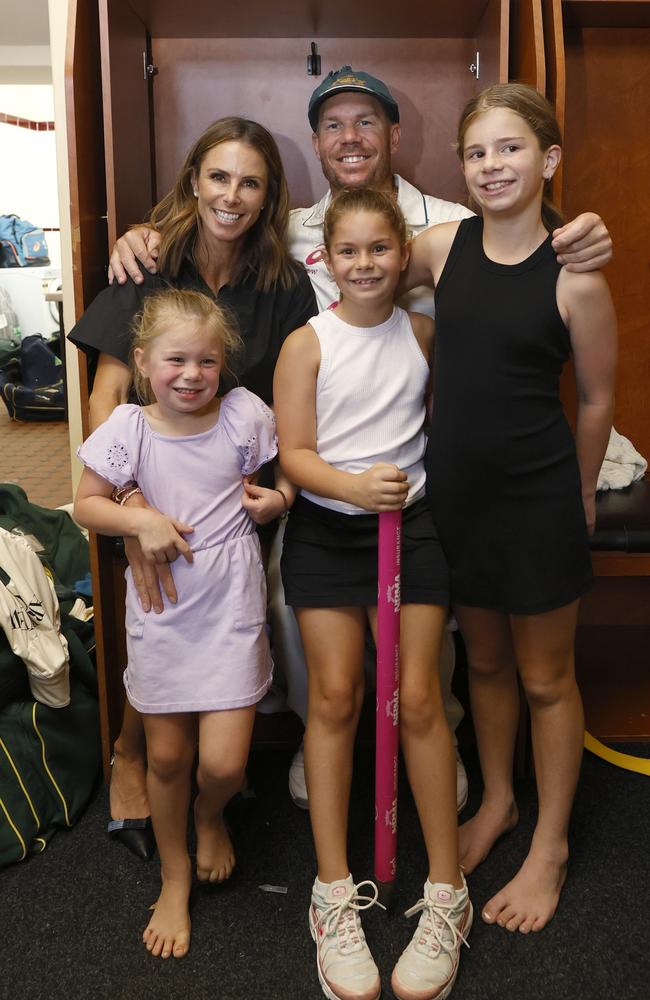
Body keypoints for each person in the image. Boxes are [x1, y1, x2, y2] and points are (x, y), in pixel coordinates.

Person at [107, 66, 613, 816]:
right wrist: (150, 231)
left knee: (465, 643)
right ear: (315, 143)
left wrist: (587, 228)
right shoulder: (309, 228)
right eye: (334, 126)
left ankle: (440, 741)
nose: (350, 139)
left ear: (395, 136)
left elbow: (533, 262)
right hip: (324, 466)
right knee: (299, 606)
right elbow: (231, 220)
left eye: (366, 123)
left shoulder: (446, 222)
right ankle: (327, 738)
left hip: (438, 471)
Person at [400, 82, 617, 936]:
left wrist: (582, 499)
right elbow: (356, 256)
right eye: (477, 152)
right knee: (482, 665)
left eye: (512, 149)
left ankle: (553, 842)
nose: (492, 165)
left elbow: (597, 398)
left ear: (549, 159)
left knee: (542, 676)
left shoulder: (577, 276)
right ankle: (497, 803)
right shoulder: (442, 246)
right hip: (458, 497)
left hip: (538, 502)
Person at [68, 117, 317, 858]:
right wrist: (132, 501)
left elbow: (295, 400)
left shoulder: (283, 283)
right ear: (193, 181)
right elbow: (106, 392)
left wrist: (279, 491)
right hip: (145, 492)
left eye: (251, 182)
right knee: (155, 616)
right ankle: (132, 752)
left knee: (218, 623)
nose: (231, 196)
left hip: (233, 503)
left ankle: (210, 775)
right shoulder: (148, 262)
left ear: (269, 198)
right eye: (218, 176)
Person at [274, 187, 471, 1000]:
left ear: (404, 254)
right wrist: (352, 491)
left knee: (420, 699)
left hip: (411, 529)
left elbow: (436, 432)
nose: (365, 264)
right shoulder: (305, 343)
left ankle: (447, 894)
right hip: (330, 531)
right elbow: (295, 455)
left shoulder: (424, 334)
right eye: (348, 251)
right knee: (338, 697)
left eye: (380, 250)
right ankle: (331, 894)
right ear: (325, 259)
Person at [73, 288, 279, 959]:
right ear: (141, 361)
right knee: (166, 754)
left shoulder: (244, 415)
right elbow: (86, 506)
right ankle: (173, 874)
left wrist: (279, 496)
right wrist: (141, 518)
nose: (191, 374)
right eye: (175, 360)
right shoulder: (128, 429)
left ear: (224, 365)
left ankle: (208, 813)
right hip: (162, 609)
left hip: (230, 606)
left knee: (222, 763)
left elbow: (274, 476)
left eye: (206, 361)